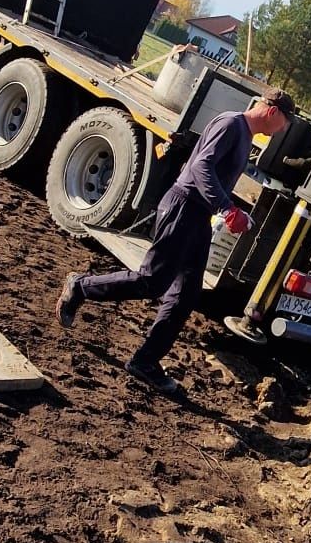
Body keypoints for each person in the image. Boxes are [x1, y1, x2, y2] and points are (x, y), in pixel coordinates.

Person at [54, 90, 296, 395]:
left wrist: (233, 210)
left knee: (185, 296)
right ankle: (80, 286)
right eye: (285, 123)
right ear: (273, 112)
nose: (283, 130)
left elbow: (213, 175)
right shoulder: (231, 125)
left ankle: (145, 361)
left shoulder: (245, 136)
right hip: (184, 208)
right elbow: (200, 168)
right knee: (152, 281)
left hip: (197, 217)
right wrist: (226, 208)